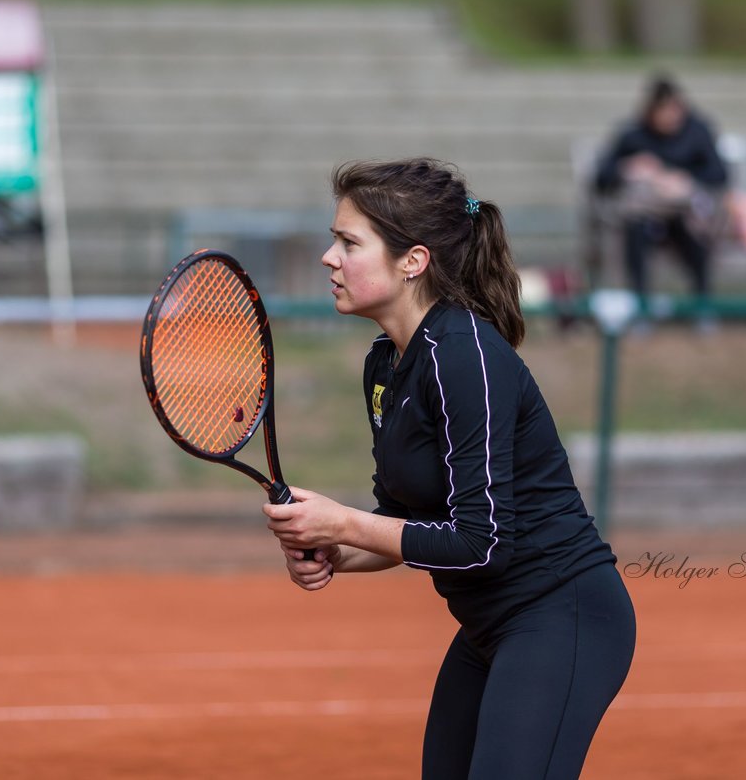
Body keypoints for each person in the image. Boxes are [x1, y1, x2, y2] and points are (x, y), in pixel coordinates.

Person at [263, 159, 637, 779]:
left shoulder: (463, 353)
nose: (330, 258)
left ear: (413, 260)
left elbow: (479, 543)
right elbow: (407, 523)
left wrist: (342, 523)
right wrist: (330, 546)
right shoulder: (386, 363)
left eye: (349, 243)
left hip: (563, 613)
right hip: (491, 627)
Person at [593, 74, 729, 329]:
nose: (670, 117)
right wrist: (629, 167)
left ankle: (702, 304)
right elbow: (602, 176)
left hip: (684, 215)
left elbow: (719, 173)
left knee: (696, 227)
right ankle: (641, 306)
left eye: (675, 109)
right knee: (636, 228)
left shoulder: (697, 132)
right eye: (663, 110)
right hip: (646, 217)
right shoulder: (634, 135)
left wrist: (683, 178)